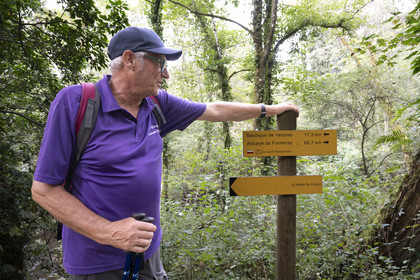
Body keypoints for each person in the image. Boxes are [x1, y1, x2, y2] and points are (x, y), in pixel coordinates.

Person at [31, 26, 299, 279]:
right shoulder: (76, 102)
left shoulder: (157, 103)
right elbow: (44, 189)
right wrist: (109, 232)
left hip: (149, 253)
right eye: (160, 63)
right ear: (130, 60)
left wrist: (268, 110)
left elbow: (215, 110)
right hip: (97, 262)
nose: (166, 73)